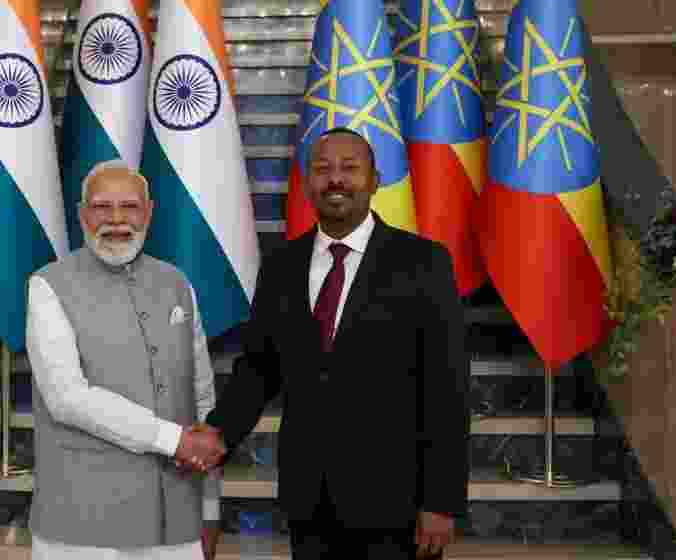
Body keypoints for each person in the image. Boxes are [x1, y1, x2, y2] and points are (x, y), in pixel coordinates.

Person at [201, 127, 469, 559]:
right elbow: (257, 370)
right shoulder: (282, 267)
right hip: (309, 500)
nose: (336, 179)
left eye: (350, 168)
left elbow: (447, 390)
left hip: (395, 505)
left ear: (375, 180)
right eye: (323, 169)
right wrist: (217, 432)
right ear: (308, 183)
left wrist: (441, 501)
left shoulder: (424, 263)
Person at [25, 160, 229, 559]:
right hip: (81, 527)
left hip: (177, 523)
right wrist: (173, 440)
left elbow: (202, 394)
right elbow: (67, 397)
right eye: (102, 207)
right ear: (83, 214)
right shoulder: (47, 285)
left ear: (149, 212)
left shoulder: (177, 283)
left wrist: (209, 508)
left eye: (130, 207)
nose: (116, 220)